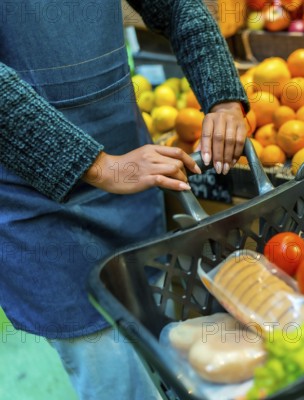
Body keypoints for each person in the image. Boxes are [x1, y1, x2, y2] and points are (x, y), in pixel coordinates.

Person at [0, 0, 249, 398]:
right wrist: (99, 167)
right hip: (38, 211)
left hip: (129, 179)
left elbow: (178, 7)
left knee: (173, 350)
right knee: (118, 380)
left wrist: (222, 97)